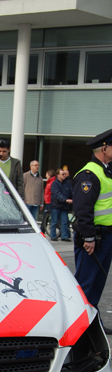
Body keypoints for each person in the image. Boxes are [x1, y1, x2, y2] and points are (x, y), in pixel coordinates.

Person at [72, 128, 112, 334]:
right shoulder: (89, 174)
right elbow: (82, 209)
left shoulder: (106, 171)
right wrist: (88, 237)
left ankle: (93, 326)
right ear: (104, 149)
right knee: (85, 285)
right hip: (93, 238)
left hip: (106, 237)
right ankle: (78, 328)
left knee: (97, 284)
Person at [50, 168, 73, 241]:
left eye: (65, 174)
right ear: (58, 175)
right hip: (56, 205)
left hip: (64, 206)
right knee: (54, 222)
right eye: (62, 174)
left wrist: (75, 198)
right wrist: (65, 199)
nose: (64, 175)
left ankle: (64, 236)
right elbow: (57, 194)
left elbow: (71, 192)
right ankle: (53, 236)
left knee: (64, 222)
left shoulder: (67, 183)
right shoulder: (54, 184)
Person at [41, 169, 56, 234]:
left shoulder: (52, 182)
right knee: (46, 217)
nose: (46, 176)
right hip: (48, 201)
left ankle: (42, 230)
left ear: (49, 175)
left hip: (50, 202)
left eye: (47, 174)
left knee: (45, 217)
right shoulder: (50, 182)